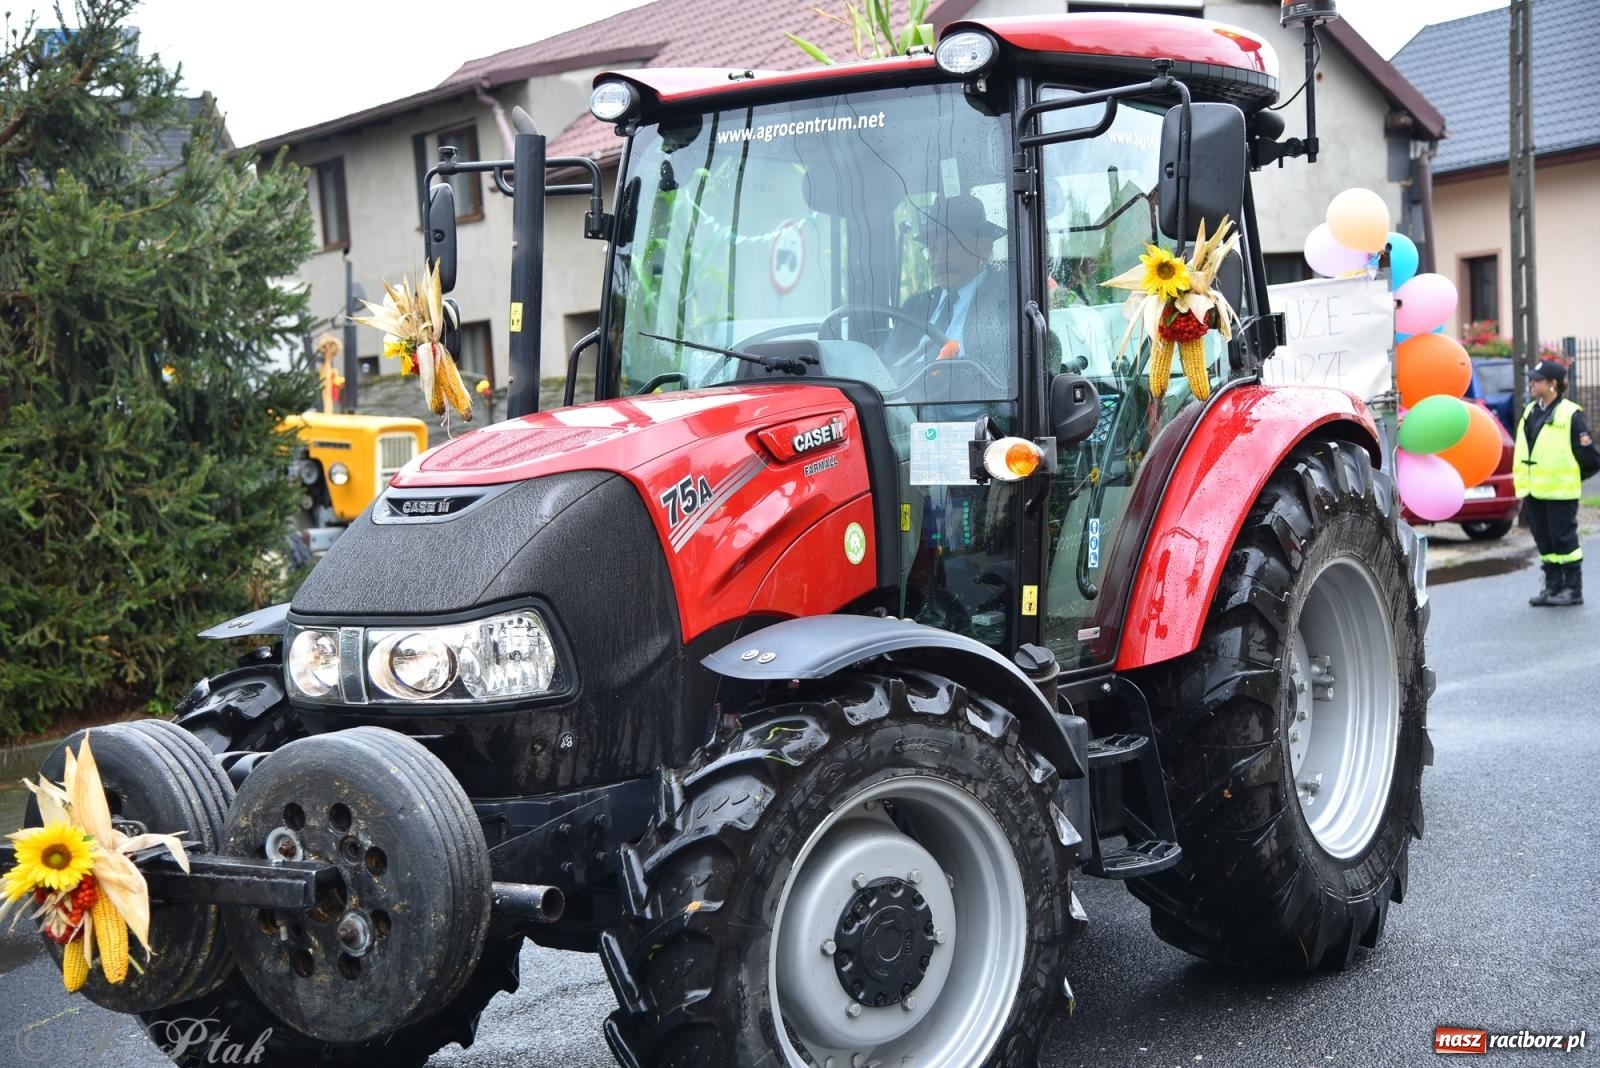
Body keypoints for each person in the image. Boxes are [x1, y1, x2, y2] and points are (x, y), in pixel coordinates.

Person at [885, 193, 1009, 375]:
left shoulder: (1007, 301)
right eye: (933, 249)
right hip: (903, 400)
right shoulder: (914, 307)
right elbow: (884, 364)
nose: (938, 260)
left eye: (951, 245)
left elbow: (996, 377)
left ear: (984, 246)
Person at [1514, 359, 1599, 606]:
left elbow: (1590, 459)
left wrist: (1572, 475)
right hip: (1533, 490)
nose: (1532, 383)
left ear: (1553, 384)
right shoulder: (1531, 410)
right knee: (1545, 542)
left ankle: (1573, 589)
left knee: (1565, 542)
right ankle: (1552, 587)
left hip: (1560, 491)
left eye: (1537, 380)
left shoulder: (1571, 413)